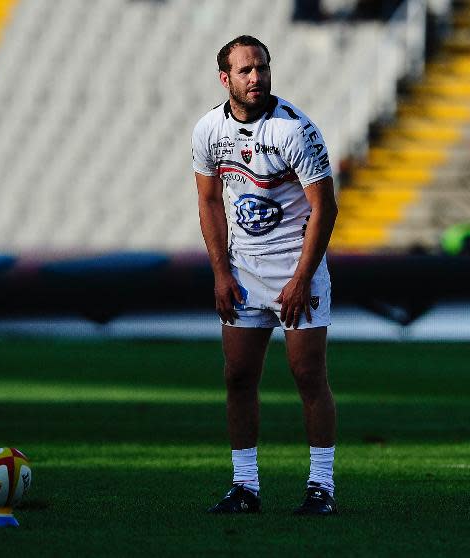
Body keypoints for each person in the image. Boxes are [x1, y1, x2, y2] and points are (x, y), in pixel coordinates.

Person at [192, 35, 339, 515]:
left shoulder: (295, 130)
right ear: (225, 79)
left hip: (298, 270)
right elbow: (210, 201)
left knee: (307, 374)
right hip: (243, 273)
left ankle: (321, 487)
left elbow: (325, 208)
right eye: (246, 71)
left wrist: (301, 278)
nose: (256, 78)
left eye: (262, 68)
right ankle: (244, 486)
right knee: (237, 376)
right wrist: (220, 273)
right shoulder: (209, 131)